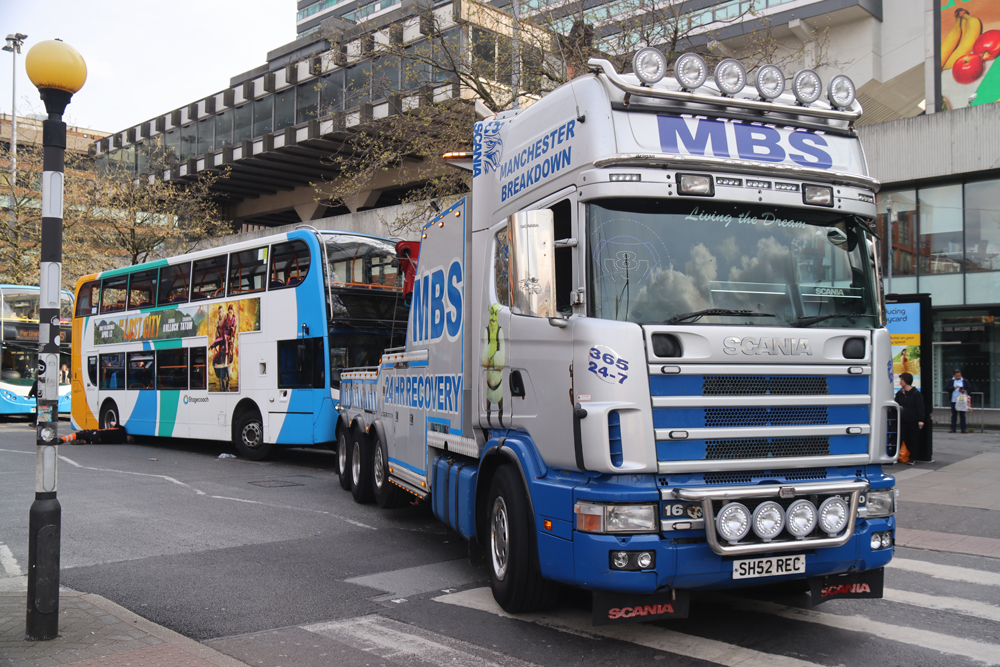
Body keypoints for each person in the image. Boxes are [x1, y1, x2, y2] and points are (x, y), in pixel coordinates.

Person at [894, 372, 924, 465]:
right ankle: (895, 456)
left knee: (912, 439)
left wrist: (921, 419)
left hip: (913, 420)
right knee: (899, 438)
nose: (900, 382)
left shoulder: (915, 393)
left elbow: (920, 407)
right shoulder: (900, 393)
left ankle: (912, 458)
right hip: (902, 420)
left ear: (906, 381)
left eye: (902, 380)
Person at [944, 369, 973, 433]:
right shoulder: (950, 381)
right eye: (957, 376)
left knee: (962, 415)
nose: (958, 377)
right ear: (954, 375)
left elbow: (969, 389)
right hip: (954, 400)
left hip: (962, 400)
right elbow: (946, 388)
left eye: (959, 376)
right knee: (954, 415)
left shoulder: (965, 381)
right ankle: (953, 428)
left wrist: (964, 390)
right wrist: (953, 388)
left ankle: (963, 428)